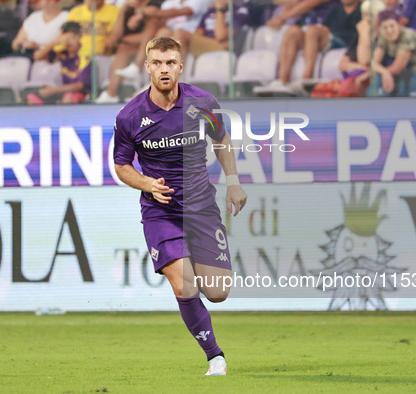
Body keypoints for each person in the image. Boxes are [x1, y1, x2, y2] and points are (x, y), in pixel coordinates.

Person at [113, 36, 247, 375]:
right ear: (147, 67)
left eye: (170, 63)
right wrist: (146, 184)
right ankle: (215, 357)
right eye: (157, 63)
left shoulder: (203, 102)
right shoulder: (130, 116)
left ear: (180, 66)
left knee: (217, 292)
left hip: (201, 207)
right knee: (184, 283)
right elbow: (121, 165)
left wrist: (233, 182)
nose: (164, 69)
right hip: (161, 210)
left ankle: (197, 292)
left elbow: (222, 140)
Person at [113, 0, 210, 84]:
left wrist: (145, 13)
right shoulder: (171, 1)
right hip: (172, 33)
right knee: (159, 28)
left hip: (191, 36)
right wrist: (141, 15)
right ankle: (149, 75)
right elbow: (160, 16)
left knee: (177, 33)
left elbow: (183, 11)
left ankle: (173, 79)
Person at [94, 0, 164, 104]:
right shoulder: (129, 7)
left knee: (130, 43)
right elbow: (116, 36)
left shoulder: (155, 4)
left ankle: (137, 67)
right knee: (123, 48)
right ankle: (111, 93)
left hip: (152, 42)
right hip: (132, 44)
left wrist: (141, 14)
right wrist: (123, 11)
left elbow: (151, 34)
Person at [371, 9, 416, 96]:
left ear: (398, 24)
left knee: (397, 93)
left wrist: (384, 72)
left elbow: (397, 68)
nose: (389, 30)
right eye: (385, 27)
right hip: (405, 74)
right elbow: (373, 63)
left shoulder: (408, 35)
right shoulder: (383, 36)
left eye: (392, 26)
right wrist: (384, 72)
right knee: (376, 81)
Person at [27, 21, 92, 104]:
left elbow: (80, 86)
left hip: (82, 93)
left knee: (67, 100)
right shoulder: (62, 50)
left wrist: (53, 90)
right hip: (63, 91)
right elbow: (38, 57)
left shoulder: (85, 55)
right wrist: (55, 41)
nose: (68, 42)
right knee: (32, 100)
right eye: (65, 38)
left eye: (71, 38)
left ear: (80, 37)